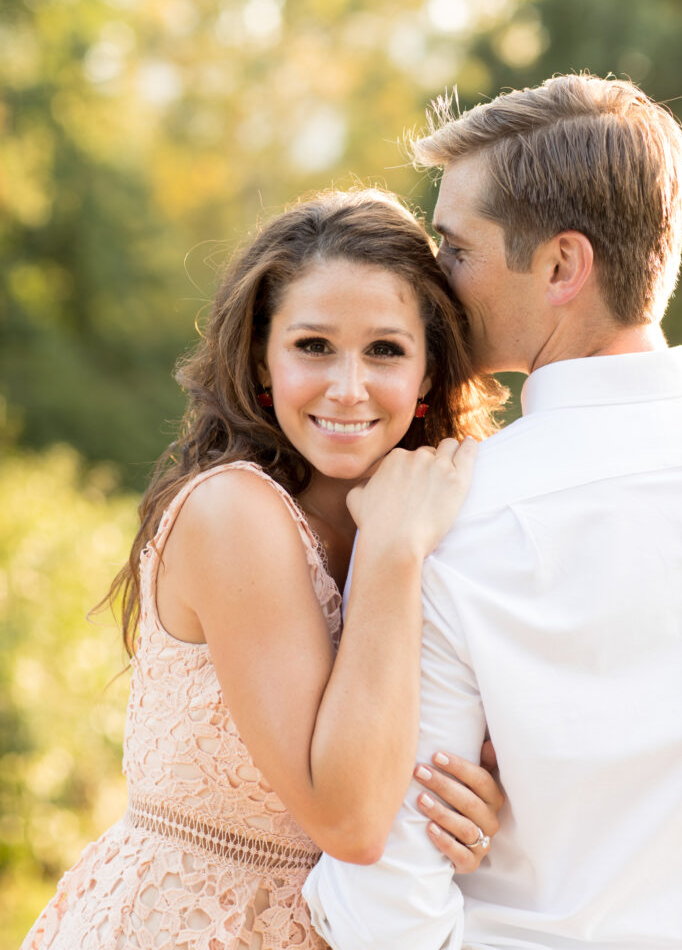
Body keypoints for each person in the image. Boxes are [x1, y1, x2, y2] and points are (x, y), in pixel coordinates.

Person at [21, 189, 506, 950]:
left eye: (384, 350)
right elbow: (345, 819)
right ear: (261, 361)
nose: (348, 387)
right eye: (313, 346)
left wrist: (475, 814)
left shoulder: (450, 521)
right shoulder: (233, 513)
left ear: (425, 373)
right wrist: (390, 551)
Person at [303, 73, 682, 949]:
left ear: (560, 266)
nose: (432, 280)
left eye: (456, 249)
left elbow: (383, 916)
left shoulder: (444, 521)